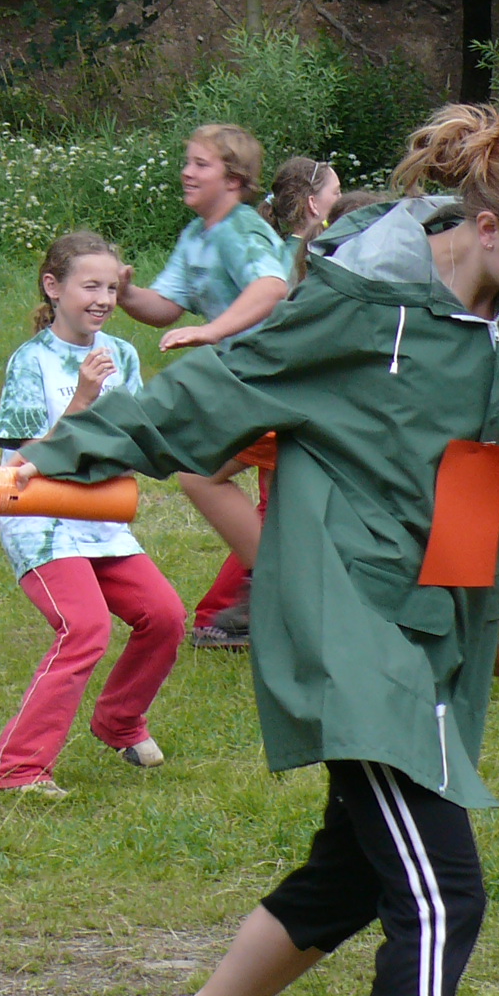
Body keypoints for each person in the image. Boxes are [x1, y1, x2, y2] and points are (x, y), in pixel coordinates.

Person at [16, 103, 499, 996]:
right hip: (348, 604)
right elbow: (226, 382)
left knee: (355, 867)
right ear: (489, 227)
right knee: (440, 899)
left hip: (446, 610)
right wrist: (73, 447)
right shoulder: (362, 302)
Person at [0, 232, 187, 798]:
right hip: (41, 518)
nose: (103, 299)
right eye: (89, 286)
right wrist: (81, 398)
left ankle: (119, 721)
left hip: (99, 515)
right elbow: (27, 458)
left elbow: (136, 434)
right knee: (86, 628)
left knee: (165, 616)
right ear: (53, 288)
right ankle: (18, 769)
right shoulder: (31, 361)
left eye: (112, 288)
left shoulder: (122, 354)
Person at [114, 124, 289, 649]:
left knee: (199, 472)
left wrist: (214, 330)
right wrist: (125, 294)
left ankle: (277, 589)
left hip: (282, 382)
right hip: (254, 385)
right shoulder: (198, 235)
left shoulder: (242, 231)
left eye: (201, 164)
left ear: (234, 180)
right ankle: (280, 596)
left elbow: (273, 287)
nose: (187, 173)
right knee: (281, 504)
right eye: (187, 162)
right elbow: (166, 306)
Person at [190, 156, 345, 645]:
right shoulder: (311, 260)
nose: (341, 201)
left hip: (271, 394)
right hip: (277, 396)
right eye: (336, 193)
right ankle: (224, 614)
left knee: (275, 511)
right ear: (315, 204)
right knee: (268, 510)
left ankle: (229, 614)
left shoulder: (277, 251)